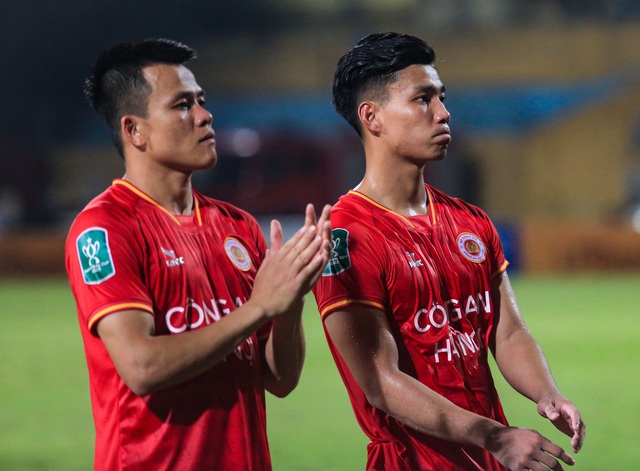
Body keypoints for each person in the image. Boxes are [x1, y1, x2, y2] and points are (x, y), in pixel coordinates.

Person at [312, 32, 586, 471]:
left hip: (492, 455)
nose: (443, 113)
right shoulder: (346, 237)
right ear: (372, 117)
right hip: (414, 462)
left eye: (441, 97)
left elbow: (507, 333)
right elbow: (380, 381)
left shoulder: (470, 221)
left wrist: (546, 392)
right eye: (423, 99)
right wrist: (494, 435)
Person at [65, 38, 331, 471]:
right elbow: (141, 368)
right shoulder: (105, 228)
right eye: (182, 105)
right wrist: (258, 307)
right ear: (135, 131)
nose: (205, 116)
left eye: (201, 101)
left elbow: (280, 379)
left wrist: (290, 299)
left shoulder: (237, 226)